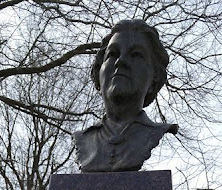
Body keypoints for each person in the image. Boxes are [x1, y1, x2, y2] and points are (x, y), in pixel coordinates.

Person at [73, 19, 178, 173]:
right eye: (113, 54)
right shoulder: (83, 139)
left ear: (154, 76)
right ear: (99, 70)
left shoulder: (153, 133)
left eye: (136, 55)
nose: (120, 61)